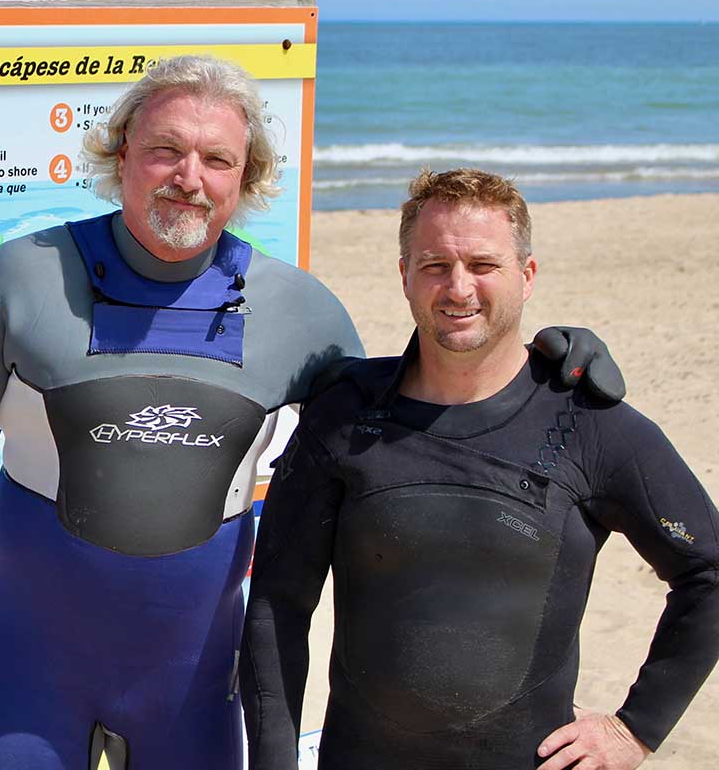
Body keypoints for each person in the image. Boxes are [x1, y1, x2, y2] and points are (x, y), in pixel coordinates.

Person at [0, 59, 619, 770]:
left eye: (217, 160)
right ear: (121, 155)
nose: (189, 177)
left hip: (192, 688)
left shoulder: (300, 314)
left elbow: (408, 432)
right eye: (165, 151)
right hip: (31, 678)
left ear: (243, 179)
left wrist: (537, 363)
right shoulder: (21, 280)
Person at [240, 168, 719, 770]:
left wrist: (634, 729)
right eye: (435, 264)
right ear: (405, 276)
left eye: (483, 265)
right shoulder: (344, 417)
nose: (458, 287)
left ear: (527, 276)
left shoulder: (590, 425)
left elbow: (709, 571)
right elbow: (277, 605)